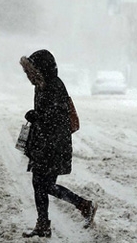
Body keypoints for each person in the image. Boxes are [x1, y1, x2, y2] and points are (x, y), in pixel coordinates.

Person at [20, 49, 98, 238]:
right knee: (40, 183)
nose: (29, 75)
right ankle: (44, 224)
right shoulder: (41, 85)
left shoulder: (54, 86)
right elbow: (47, 113)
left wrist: (37, 116)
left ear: (42, 68)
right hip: (44, 143)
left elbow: (56, 117)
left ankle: (83, 205)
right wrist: (37, 117)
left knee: (45, 185)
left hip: (54, 145)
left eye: (32, 70)